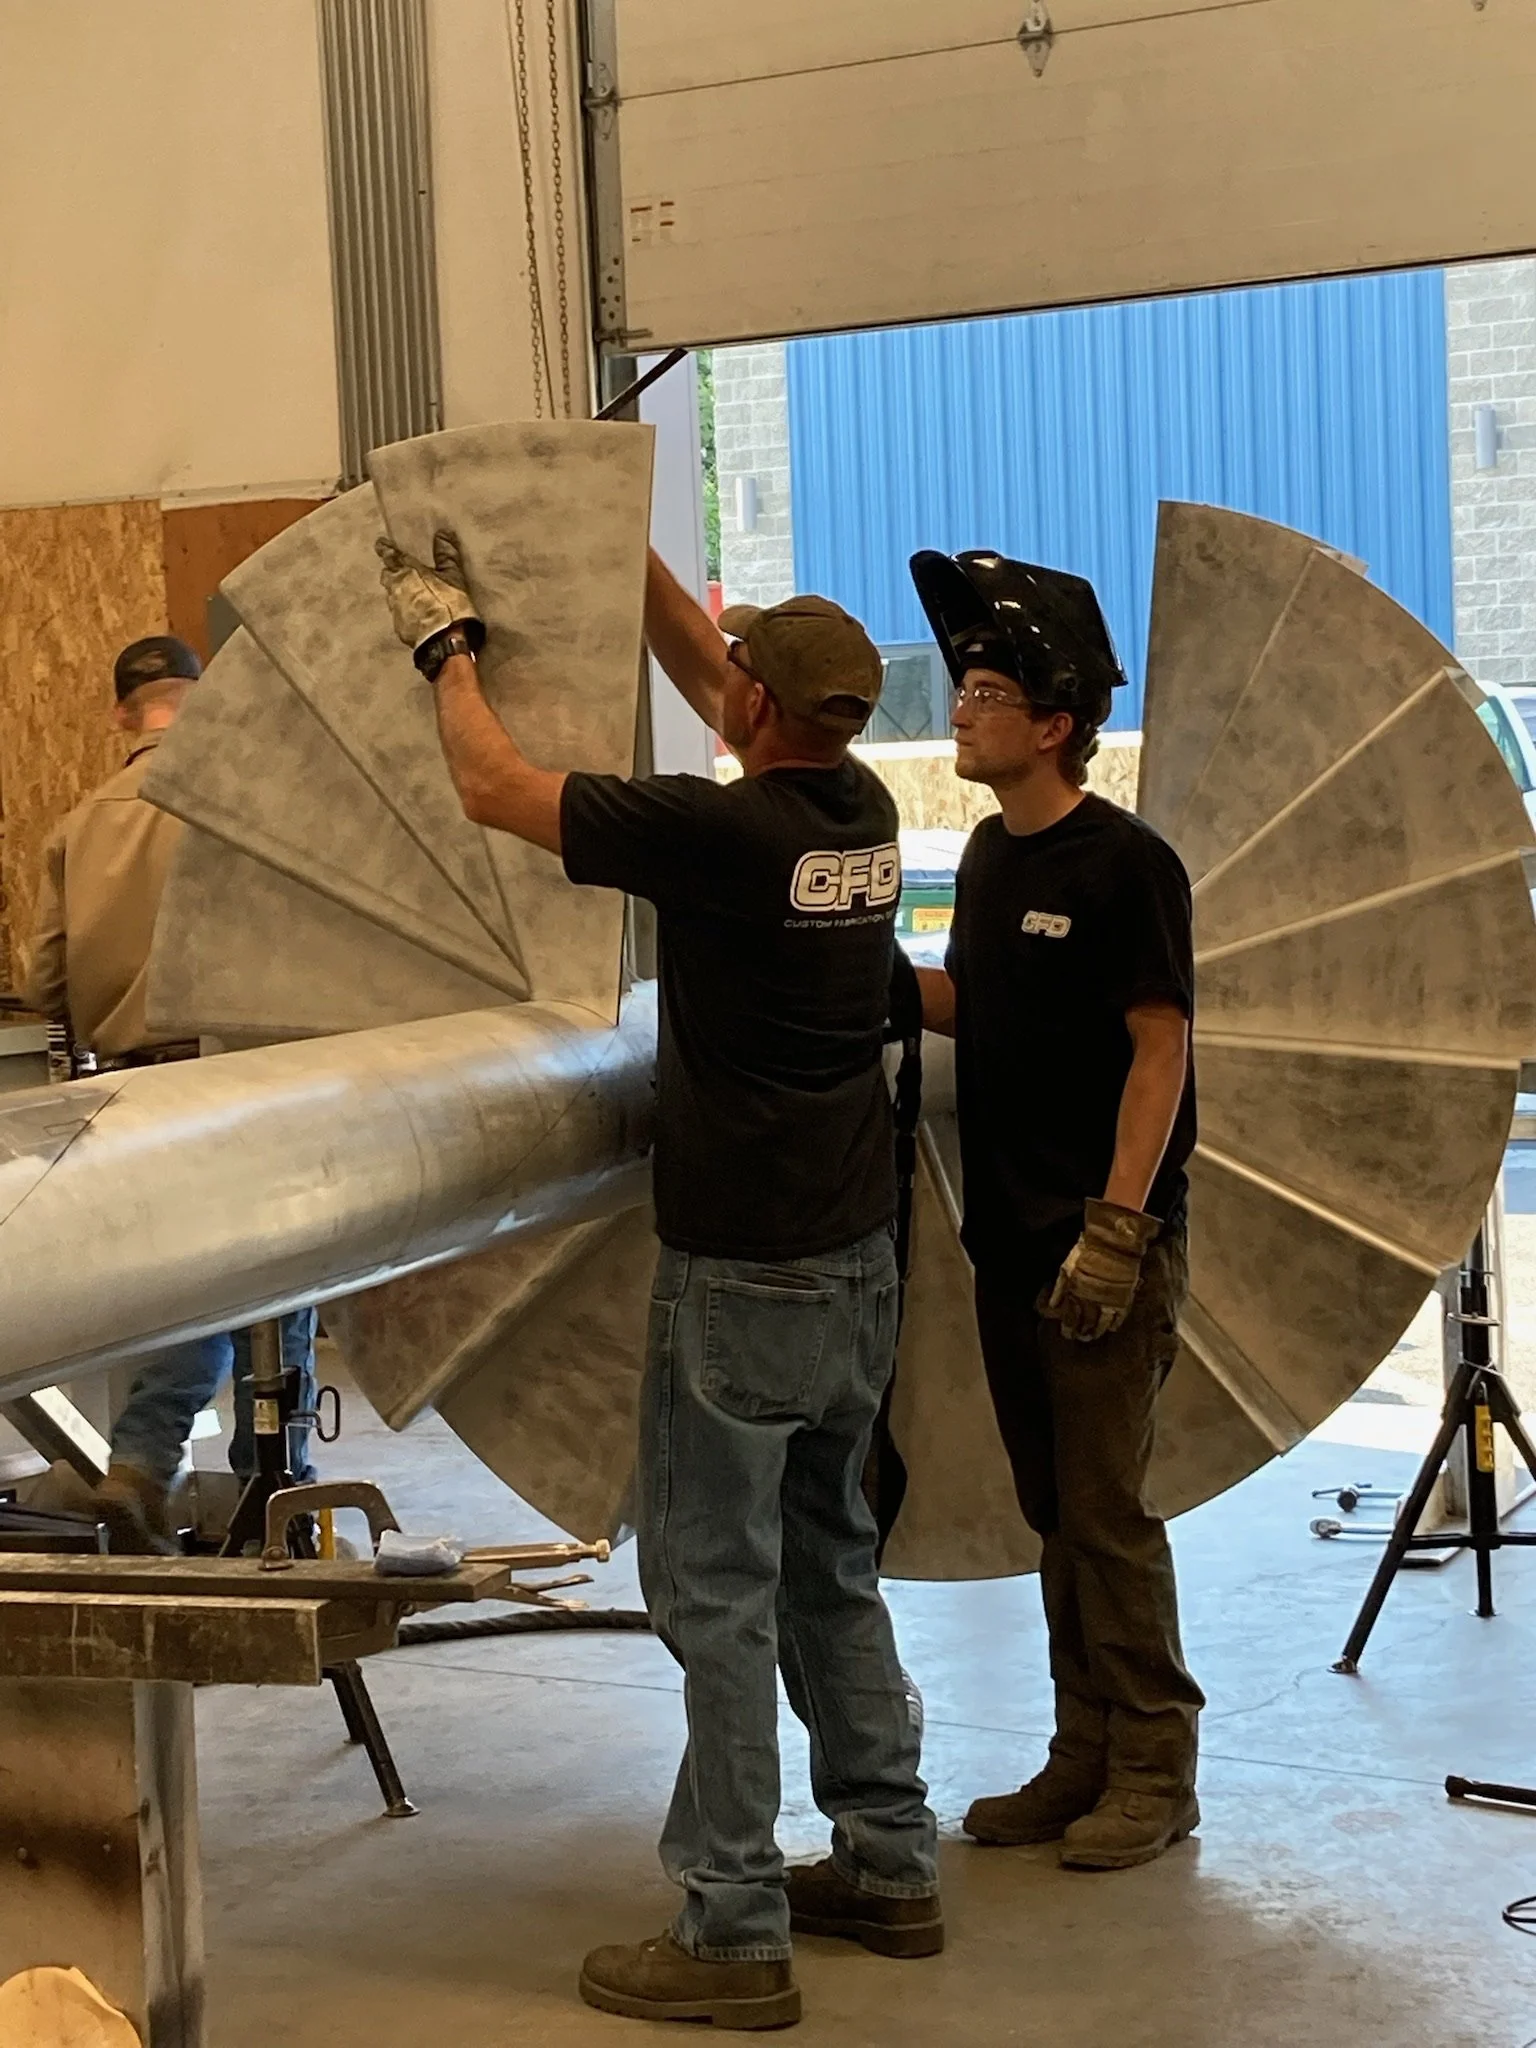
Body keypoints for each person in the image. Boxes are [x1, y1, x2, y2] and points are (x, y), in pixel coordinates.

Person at [377, 532, 940, 2031]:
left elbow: (494, 789)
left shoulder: (716, 835)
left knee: (716, 1597)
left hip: (742, 1274)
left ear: (760, 712)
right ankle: (891, 1862)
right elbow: (727, 682)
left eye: (735, 669)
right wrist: (612, 552)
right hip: (852, 1266)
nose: (723, 678)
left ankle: (733, 1924)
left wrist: (448, 653)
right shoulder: (859, 811)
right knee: (831, 1566)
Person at [908, 548, 1204, 1872]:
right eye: (963, 685)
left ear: (1055, 725)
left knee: (1105, 1513)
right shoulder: (981, 855)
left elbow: (1160, 1046)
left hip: (1100, 1245)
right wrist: (853, 961)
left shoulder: (1125, 864)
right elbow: (978, 1006)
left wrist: (1120, 1227)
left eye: (983, 690)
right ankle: (1079, 1750)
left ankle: (1155, 1765)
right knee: (1051, 1513)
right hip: (1008, 1240)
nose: (960, 708)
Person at [21, 634, 318, 1554]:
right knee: (282, 1275)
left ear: (122, 713)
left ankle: (148, 1463)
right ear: (205, 698)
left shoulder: (78, 825)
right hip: (242, 1074)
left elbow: (42, 979)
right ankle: (268, 1482)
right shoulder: (237, 809)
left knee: (189, 1280)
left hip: (139, 1092)